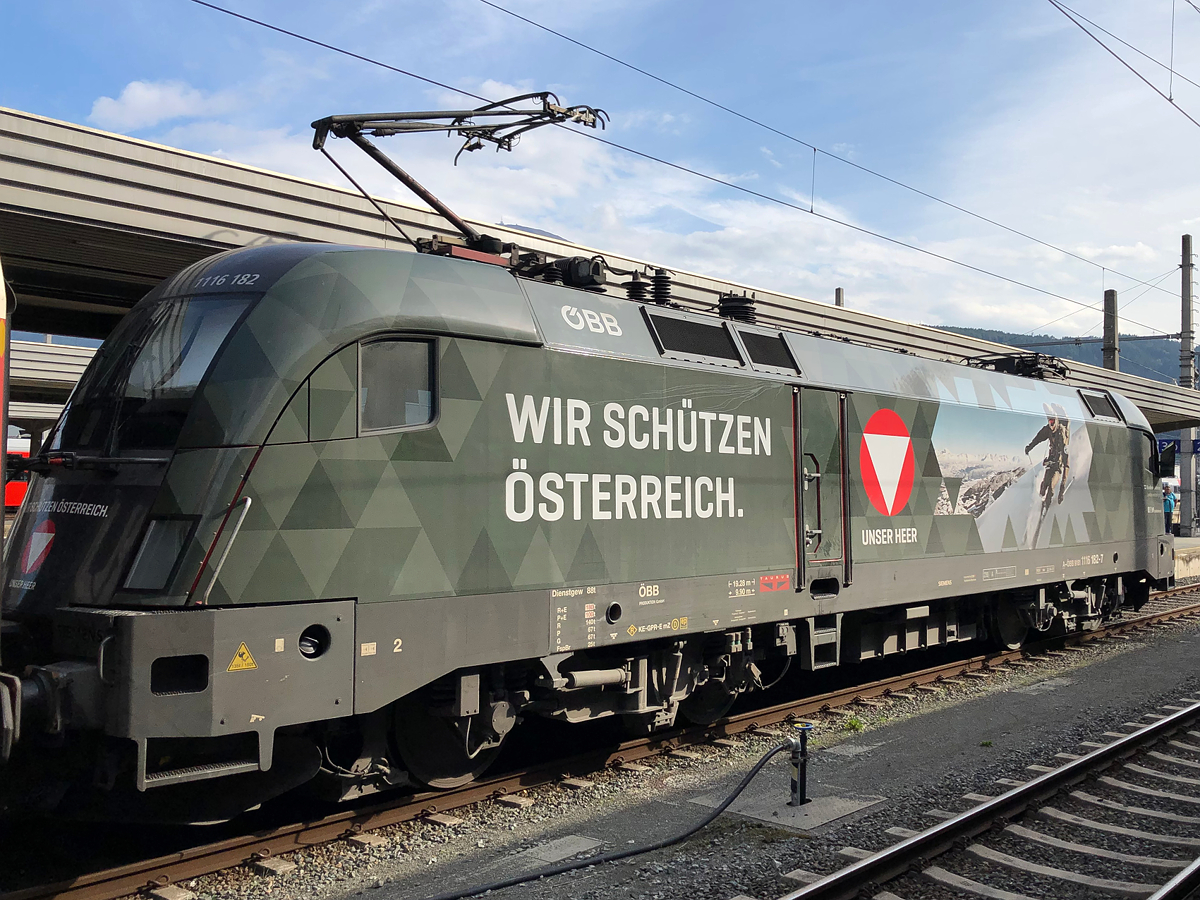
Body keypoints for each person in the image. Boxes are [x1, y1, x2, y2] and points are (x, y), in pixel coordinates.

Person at [1025, 404, 1071, 509]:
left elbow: (1066, 464)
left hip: (1058, 466)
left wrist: (1062, 489)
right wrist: (1029, 447)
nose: (1051, 425)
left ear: (1056, 421)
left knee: (1050, 488)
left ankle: (1046, 511)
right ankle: (1038, 507)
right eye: (1049, 422)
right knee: (1044, 485)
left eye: (1053, 422)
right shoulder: (1047, 430)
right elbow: (1038, 439)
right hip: (1051, 462)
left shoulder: (1062, 436)